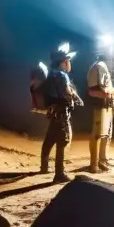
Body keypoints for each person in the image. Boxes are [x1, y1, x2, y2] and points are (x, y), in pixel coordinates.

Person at [40, 43, 83, 184]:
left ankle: (44, 167)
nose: (69, 63)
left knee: (49, 139)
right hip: (62, 112)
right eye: (68, 61)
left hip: (53, 112)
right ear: (63, 63)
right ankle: (59, 173)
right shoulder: (62, 76)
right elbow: (66, 93)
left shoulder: (51, 74)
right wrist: (74, 97)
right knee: (62, 141)